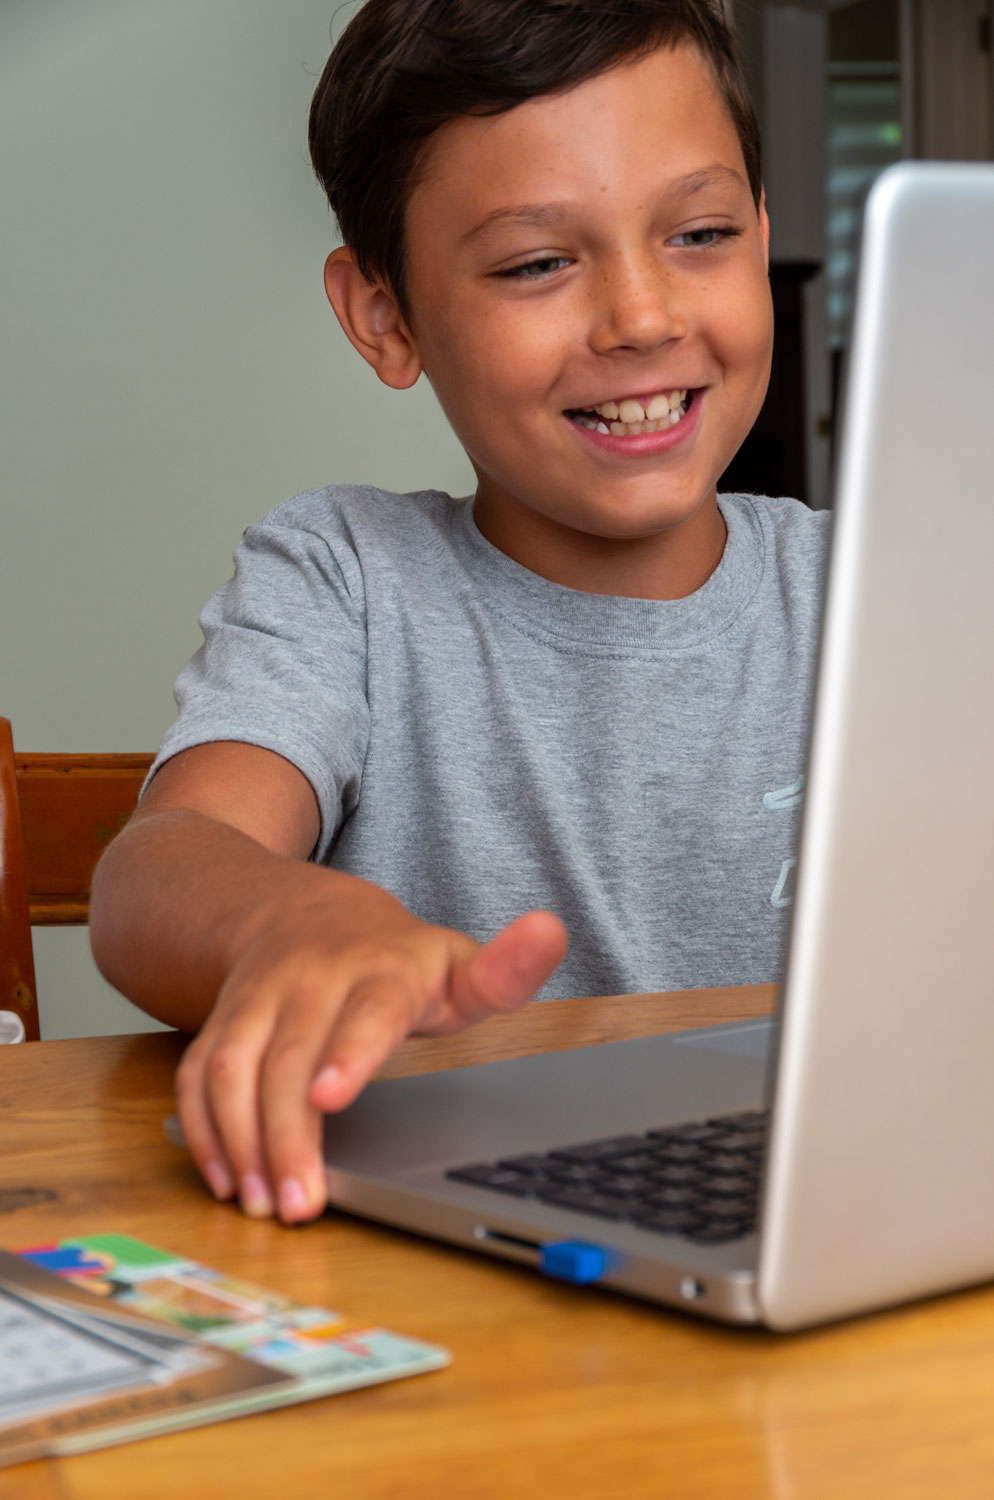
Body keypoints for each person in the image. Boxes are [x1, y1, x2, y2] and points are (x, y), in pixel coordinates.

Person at [90, 0, 831, 1228]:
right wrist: (286, 919)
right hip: (456, 1257)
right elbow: (156, 872)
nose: (642, 317)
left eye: (698, 233)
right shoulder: (346, 577)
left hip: (820, 1223)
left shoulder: (874, 590)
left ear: (761, 233)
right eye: (538, 262)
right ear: (385, 315)